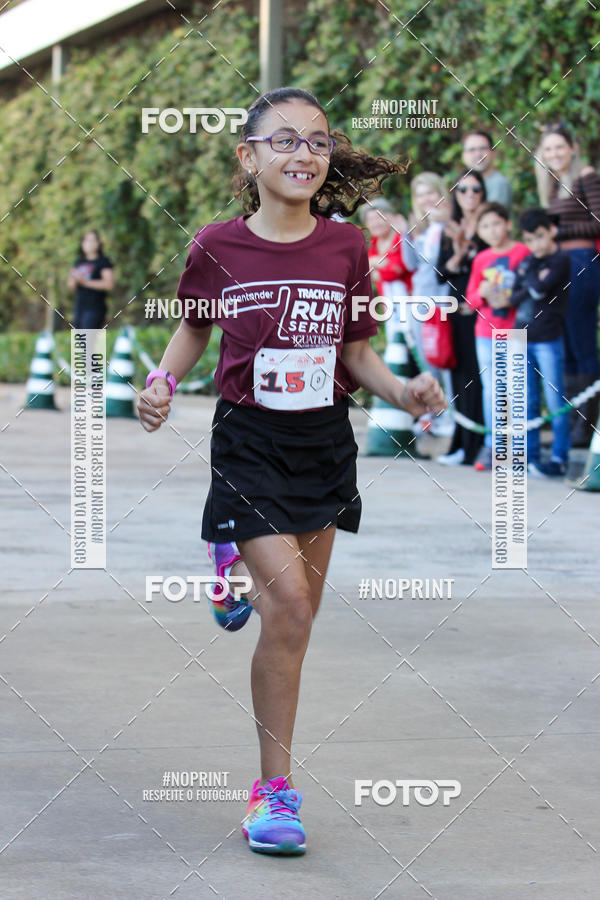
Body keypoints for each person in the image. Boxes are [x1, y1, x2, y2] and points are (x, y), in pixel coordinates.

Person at [137, 87, 446, 857]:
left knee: (297, 621)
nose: (304, 153)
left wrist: (405, 394)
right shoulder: (216, 246)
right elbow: (194, 331)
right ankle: (272, 794)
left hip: (323, 445)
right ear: (248, 157)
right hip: (248, 443)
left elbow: (357, 352)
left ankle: (228, 565)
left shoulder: (345, 249)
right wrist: (162, 385)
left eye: (317, 141)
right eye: (284, 141)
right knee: (293, 607)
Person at [490, 208, 570, 476]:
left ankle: (560, 458)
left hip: (548, 340)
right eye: (530, 239)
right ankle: (529, 457)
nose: (535, 245)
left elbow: (537, 289)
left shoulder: (561, 260)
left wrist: (528, 269)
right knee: (527, 401)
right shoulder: (532, 261)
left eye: (540, 237)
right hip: (521, 336)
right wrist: (526, 276)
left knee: (555, 401)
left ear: (552, 232)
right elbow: (520, 293)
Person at [536, 123, 600, 446]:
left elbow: (597, 220)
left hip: (583, 262)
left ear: (572, 148)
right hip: (562, 264)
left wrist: (558, 235)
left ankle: (587, 425)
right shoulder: (552, 182)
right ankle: (577, 421)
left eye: (559, 147)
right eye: (548, 149)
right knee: (570, 344)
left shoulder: (586, 174)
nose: (554, 154)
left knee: (582, 340)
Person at [465, 202, 530, 470]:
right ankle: (494, 447)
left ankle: (518, 450)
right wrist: (482, 292)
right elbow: (470, 301)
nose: (492, 230)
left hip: (514, 331)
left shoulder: (522, 253)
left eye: (496, 223)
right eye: (485, 226)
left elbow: (530, 290)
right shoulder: (481, 259)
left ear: (508, 224)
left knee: (517, 390)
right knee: (493, 391)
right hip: (485, 332)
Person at [435, 169, 488, 465]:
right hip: (457, 307)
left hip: (482, 309)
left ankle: (478, 446)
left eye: (475, 189)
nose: (469, 195)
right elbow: (441, 273)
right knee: (459, 375)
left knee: (480, 376)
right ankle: (460, 443)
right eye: (463, 189)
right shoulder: (450, 228)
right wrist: (458, 252)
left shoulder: (490, 224)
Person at [401, 172, 455, 436]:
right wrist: (404, 233)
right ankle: (435, 416)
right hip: (420, 303)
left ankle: (454, 419)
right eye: (420, 194)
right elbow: (411, 265)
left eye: (430, 192)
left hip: (444, 302)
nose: (426, 199)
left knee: (445, 359)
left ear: (441, 192)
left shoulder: (451, 225)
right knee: (427, 362)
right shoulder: (419, 226)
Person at [360, 197, 414, 340]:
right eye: (370, 220)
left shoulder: (401, 239)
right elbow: (363, 273)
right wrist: (374, 261)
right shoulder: (373, 245)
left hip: (413, 307)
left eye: (379, 217)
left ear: (390, 217)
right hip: (390, 309)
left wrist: (373, 266)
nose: (375, 223)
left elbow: (395, 271)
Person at [67, 229, 114, 328]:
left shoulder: (103, 261)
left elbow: (109, 284)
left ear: (98, 243)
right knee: (80, 342)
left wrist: (85, 282)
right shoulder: (79, 261)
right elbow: (70, 285)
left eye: (91, 240)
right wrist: (74, 279)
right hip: (79, 308)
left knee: (89, 340)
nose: (88, 243)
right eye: (86, 240)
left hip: (95, 308)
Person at [462, 130, 513, 211]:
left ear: (493, 153)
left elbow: (490, 217)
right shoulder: (462, 182)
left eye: (483, 148)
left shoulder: (499, 183)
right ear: (463, 156)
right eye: (472, 150)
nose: (478, 154)